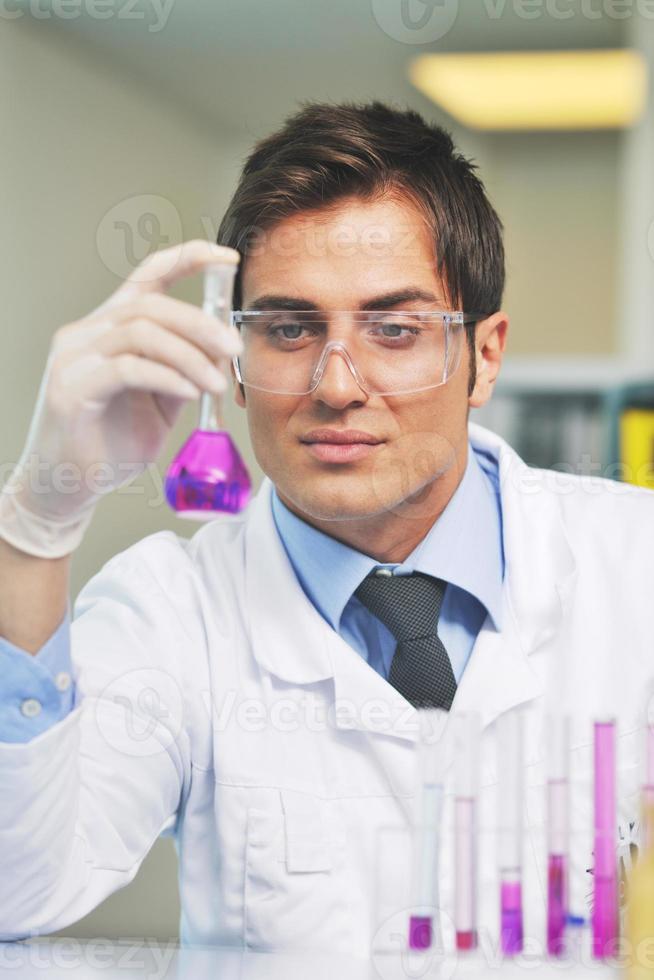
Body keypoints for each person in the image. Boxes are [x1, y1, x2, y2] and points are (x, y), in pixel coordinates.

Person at [0, 101, 652, 954]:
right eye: (289, 328)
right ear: (235, 364)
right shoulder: (173, 609)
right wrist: (39, 521)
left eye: (393, 329)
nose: (336, 384)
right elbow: (18, 890)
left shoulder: (634, 563)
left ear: (483, 357)